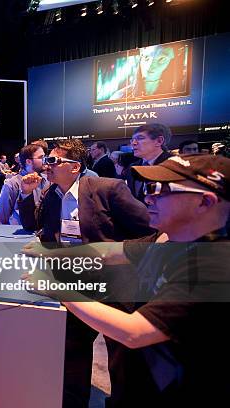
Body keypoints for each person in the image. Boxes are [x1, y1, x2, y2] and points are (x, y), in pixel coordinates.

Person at [24, 154, 230, 405]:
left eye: (161, 189)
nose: (148, 197)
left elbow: (135, 332)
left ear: (205, 202)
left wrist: (55, 288)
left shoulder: (214, 266)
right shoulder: (165, 240)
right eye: (150, 188)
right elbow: (107, 252)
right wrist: (53, 253)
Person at [17, 139, 154, 407]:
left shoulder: (109, 189)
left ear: (75, 167)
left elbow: (151, 233)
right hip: (74, 285)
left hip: (116, 288)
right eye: (47, 161)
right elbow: (33, 225)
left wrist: (109, 253)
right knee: (72, 359)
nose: (47, 166)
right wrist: (25, 194)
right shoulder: (51, 195)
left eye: (54, 161)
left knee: (122, 363)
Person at [0, 144, 46, 225]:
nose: (45, 160)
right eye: (41, 157)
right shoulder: (12, 184)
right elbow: (2, 216)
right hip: (19, 234)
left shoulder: (46, 180)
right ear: (29, 161)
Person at [127, 123, 173, 202]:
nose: (133, 143)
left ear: (159, 141)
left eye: (140, 138)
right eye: (132, 140)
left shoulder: (173, 166)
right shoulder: (132, 167)